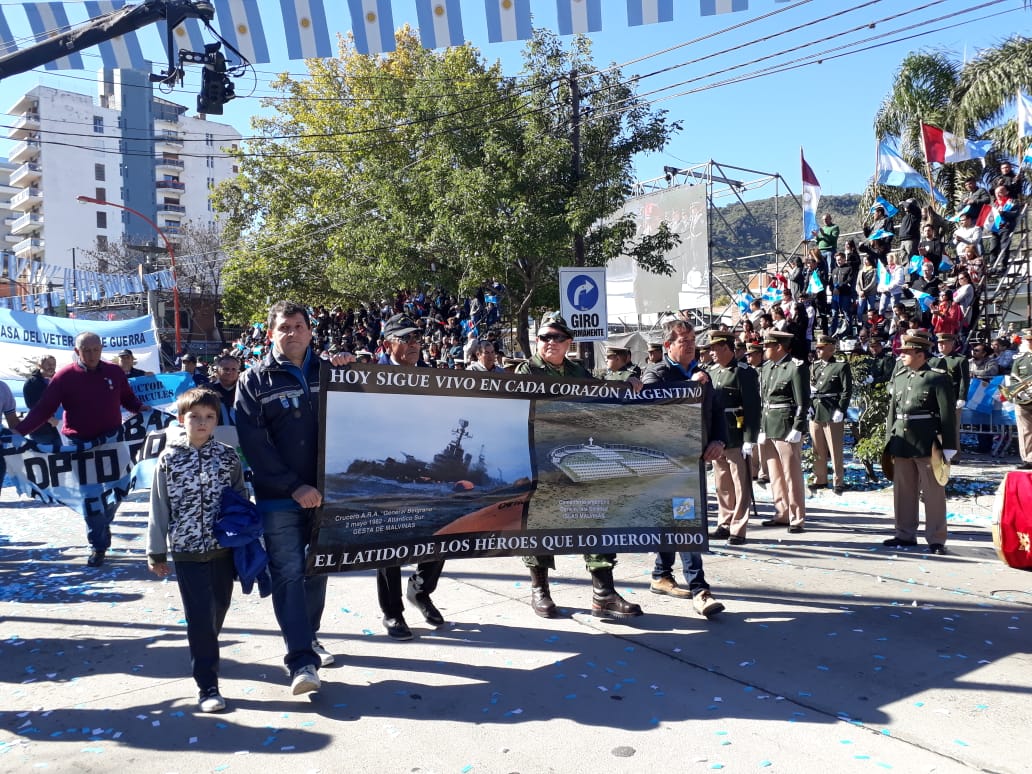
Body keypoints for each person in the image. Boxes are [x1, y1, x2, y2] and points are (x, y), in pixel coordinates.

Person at [235, 301, 352, 697]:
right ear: (271, 334)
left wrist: (353, 369)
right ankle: (301, 660)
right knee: (288, 573)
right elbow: (254, 444)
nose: (293, 333)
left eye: (299, 326)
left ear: (310, 331)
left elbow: (358, 410)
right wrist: (292, 487)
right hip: (279, 498)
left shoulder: (330, 372)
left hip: (326, 493)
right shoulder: (253, 381)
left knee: (316, 569)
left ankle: (310, 635)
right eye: (284, 327)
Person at [517, 312, 643, 619]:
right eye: (545, 337)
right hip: (539, 458)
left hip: (574, 457)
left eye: (557, 338)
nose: (551, 343)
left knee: (595, 516)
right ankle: (540, 590)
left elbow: (600, 389)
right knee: (539, 522)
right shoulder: (526, 370)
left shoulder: (577, 370)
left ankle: (603, 593)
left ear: (568, 342)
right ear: (537, 341)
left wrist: (627, 380)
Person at [147, 388, 247, 713]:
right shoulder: (169, 458)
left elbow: (241, 499)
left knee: (218, 608)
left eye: (209, 417)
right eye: (194, 417)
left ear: (217, 420)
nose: (202, 423)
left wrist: (245, 538)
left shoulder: (228, 456)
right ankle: (207, 685)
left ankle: (207, 646)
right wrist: (156, 551)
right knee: (200, 618)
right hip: (187, 551)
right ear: (181, 419)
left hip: (223, 550)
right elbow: (158, 507)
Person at [15, 331, 149, 567]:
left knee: (120, 489)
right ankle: (98, 546)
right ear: (76, 352)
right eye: (85, 350)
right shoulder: (64, 376)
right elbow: (43, 409)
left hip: (112, 441)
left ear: (101, 349)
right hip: (80, 446)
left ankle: (100, 524)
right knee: (91, 499)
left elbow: (128, 399)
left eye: (95, 349)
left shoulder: (114, 372)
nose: (91, 354)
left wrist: (141, 408)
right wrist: (18, 433)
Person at [641, 318, 727, 617]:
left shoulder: (702, 373)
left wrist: (718, 439)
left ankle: (660, 574)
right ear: (668, 345)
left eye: (692, 341)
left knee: (675, 519)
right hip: (666, 461)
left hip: (695, 458)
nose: (690, 346)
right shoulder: (658, 373)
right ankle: (700, 589)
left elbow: (716, 410)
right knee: (686, 518)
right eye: (683, 341)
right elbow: (651, 404)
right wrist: (687, 387)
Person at [374, 314, 447, 640]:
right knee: (388, 544)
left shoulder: (434, 377)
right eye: (407, 339)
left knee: (443, 533)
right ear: (388, 343)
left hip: (427, 465)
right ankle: (392, 612)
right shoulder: (370, 377)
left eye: (417, 338)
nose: (415, 344)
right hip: (393, 463)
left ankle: (420, 589)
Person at [883, 330, 957, 554]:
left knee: (933, 492)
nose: (902, 355)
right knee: (903, 490)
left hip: (927, 441)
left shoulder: (937, 377)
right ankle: (904, 533)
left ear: (920, 354)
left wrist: (950, 445)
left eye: (907, 352)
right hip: (902, 441)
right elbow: (892, 413)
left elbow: (947, 414)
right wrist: (889, 440)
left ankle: (936, 538)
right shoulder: (900, 377)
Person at [707, 331, 760, 545]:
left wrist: (750, 437)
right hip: (718, 436)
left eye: (715, 348)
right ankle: (724, 522)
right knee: (723, 483)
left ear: (727, 348)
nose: (711, 353)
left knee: (741, 483)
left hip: (736, 433)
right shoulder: (712, 372)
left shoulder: (743, 372)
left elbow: (752, 407)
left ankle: (738, 527)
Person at [757, 330, 809, 532]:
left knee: (791, 474)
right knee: (775, 474)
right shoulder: (767, 367)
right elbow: (765, 401)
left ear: (779, 347)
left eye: (768, 346)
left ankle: (797, 517)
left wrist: (798, 426)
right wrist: (762, 426)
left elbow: (802, 402)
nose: (764, 349)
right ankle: (782, 512)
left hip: (787, 427)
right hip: (770, 425)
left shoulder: (795, 367)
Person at [808, 334, 853, 495]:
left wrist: (841, 409)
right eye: (817, 348)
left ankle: (838, 480)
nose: (818, 350)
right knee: (817, 447)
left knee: (835, 448)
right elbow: (810, 386)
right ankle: (820, 479)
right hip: (816, 409)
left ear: (831, 348)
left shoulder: (840, 366)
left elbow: (847, 390)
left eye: (821, 348)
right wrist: (809, 405)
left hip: (832, 409)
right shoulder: (814, 366)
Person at [22, 353, 60, 447]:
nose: (52, 367)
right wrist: (48, 418)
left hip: (60, 429)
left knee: (62, 458)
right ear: (39, 365)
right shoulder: (31, 383)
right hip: (40, 431)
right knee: (46, 458)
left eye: (53, 364)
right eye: (48, 364)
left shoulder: (59, 380)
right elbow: (32, 406)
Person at [1008, 330, 1032, 470]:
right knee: (1025, 430)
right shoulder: (1020, 359)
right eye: (1028, 340)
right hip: (1023, 399)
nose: (1029, 343)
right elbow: (1013, 378)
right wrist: (1019, 392)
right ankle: (1028, 459)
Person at [209, 354, 241, 425]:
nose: (230, 372)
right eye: (226, 369)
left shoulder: (245, 390)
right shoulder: (207, 390)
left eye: (233, 369)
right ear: (217, 371)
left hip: (242, 433)